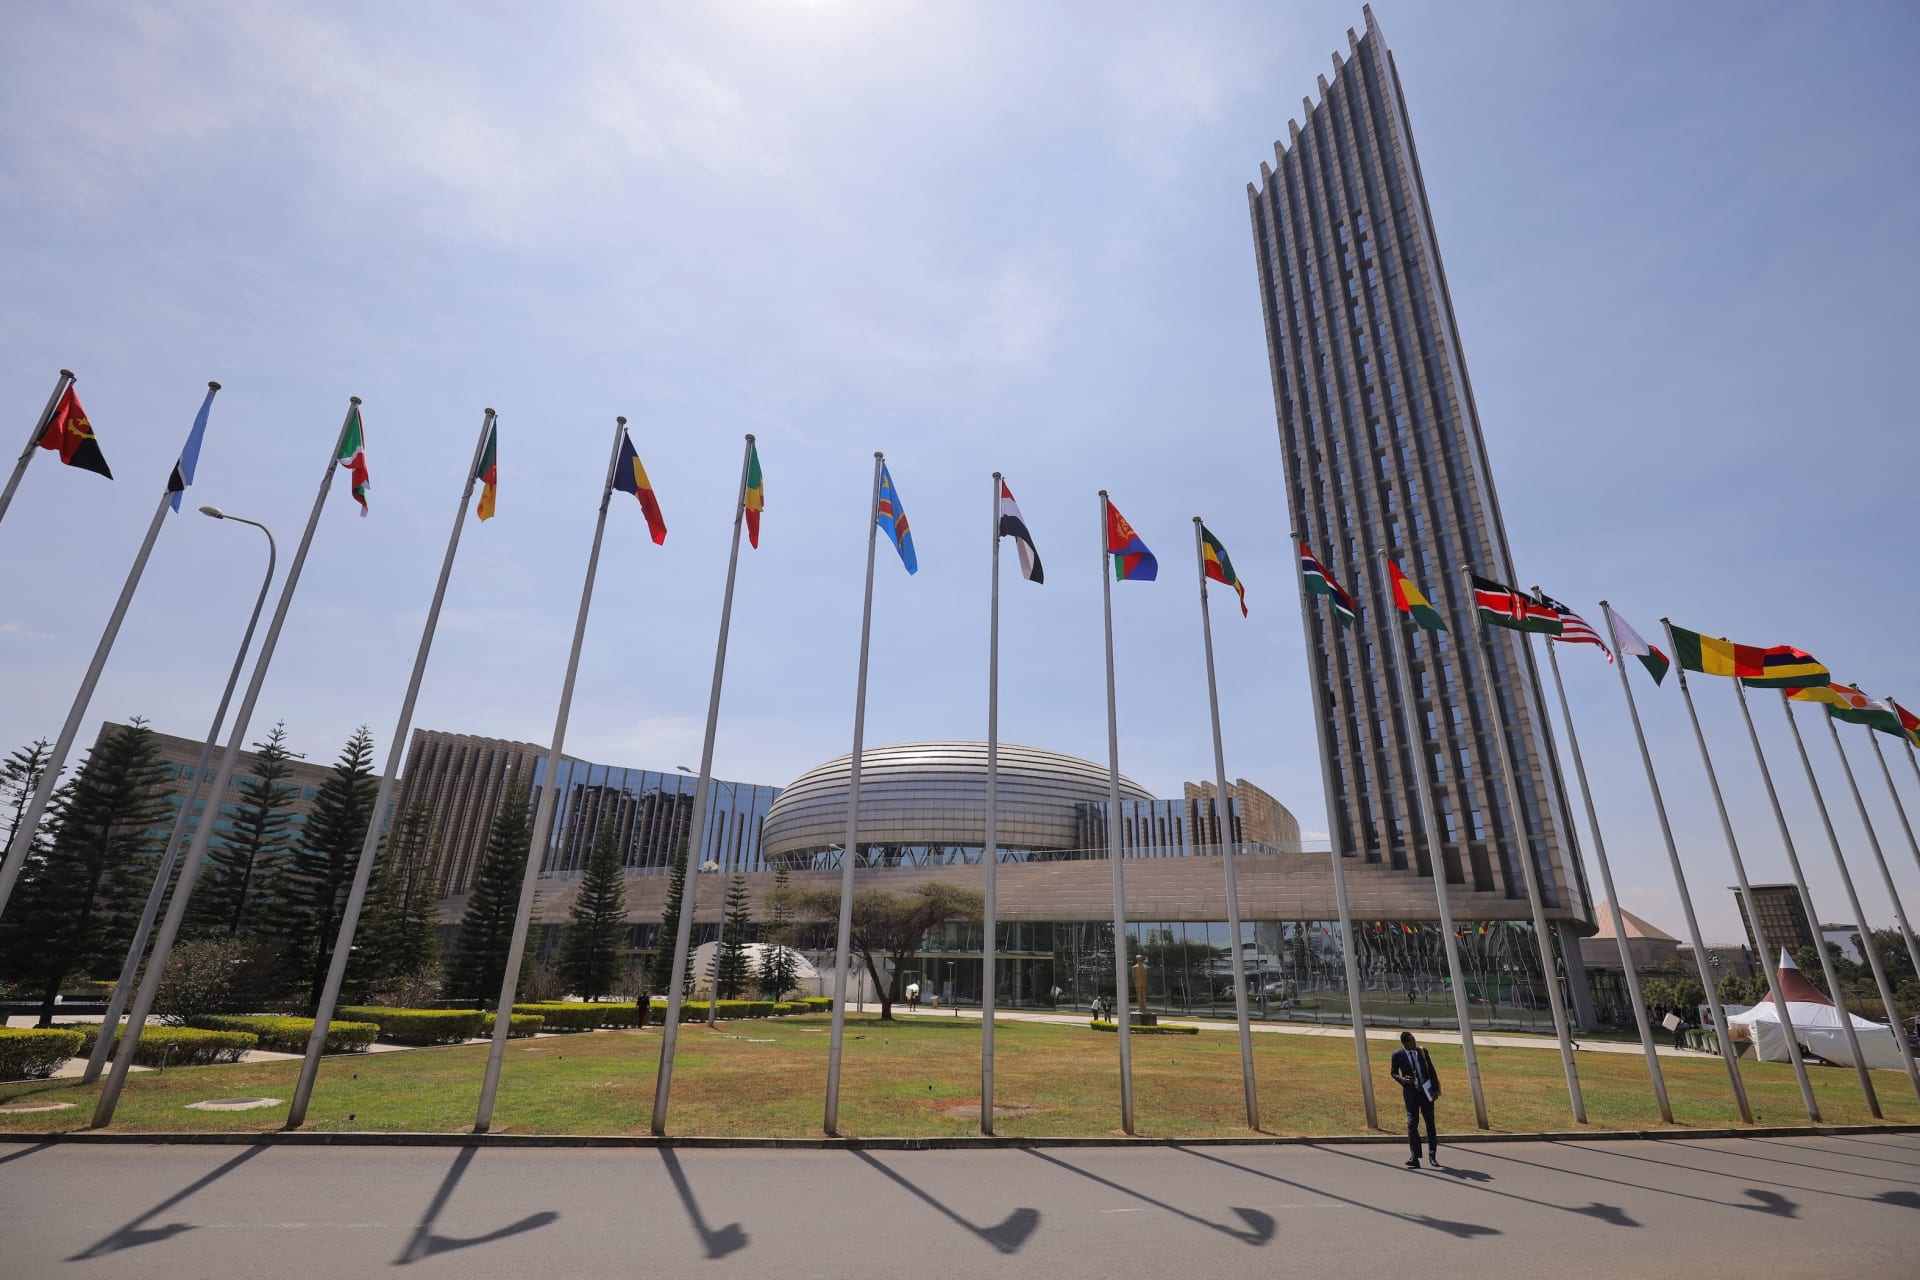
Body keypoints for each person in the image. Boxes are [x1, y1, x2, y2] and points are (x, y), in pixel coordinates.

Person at [1390, 1030, 1441, 1169]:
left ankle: (1432, 1156)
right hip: (1411, 1095)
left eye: (1415, 1040)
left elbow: (1431, 1071)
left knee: (1430, 1124)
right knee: (1412, 1124)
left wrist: (1436, 1090)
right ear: (1405, 1043)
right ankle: (1415, 1157)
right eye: (1412, 1041)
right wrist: (1403, 1080)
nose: (1415, 1043)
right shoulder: (1397, 1055)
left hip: (1426, 1094)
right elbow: (1393, 1072)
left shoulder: (1422, 1052)